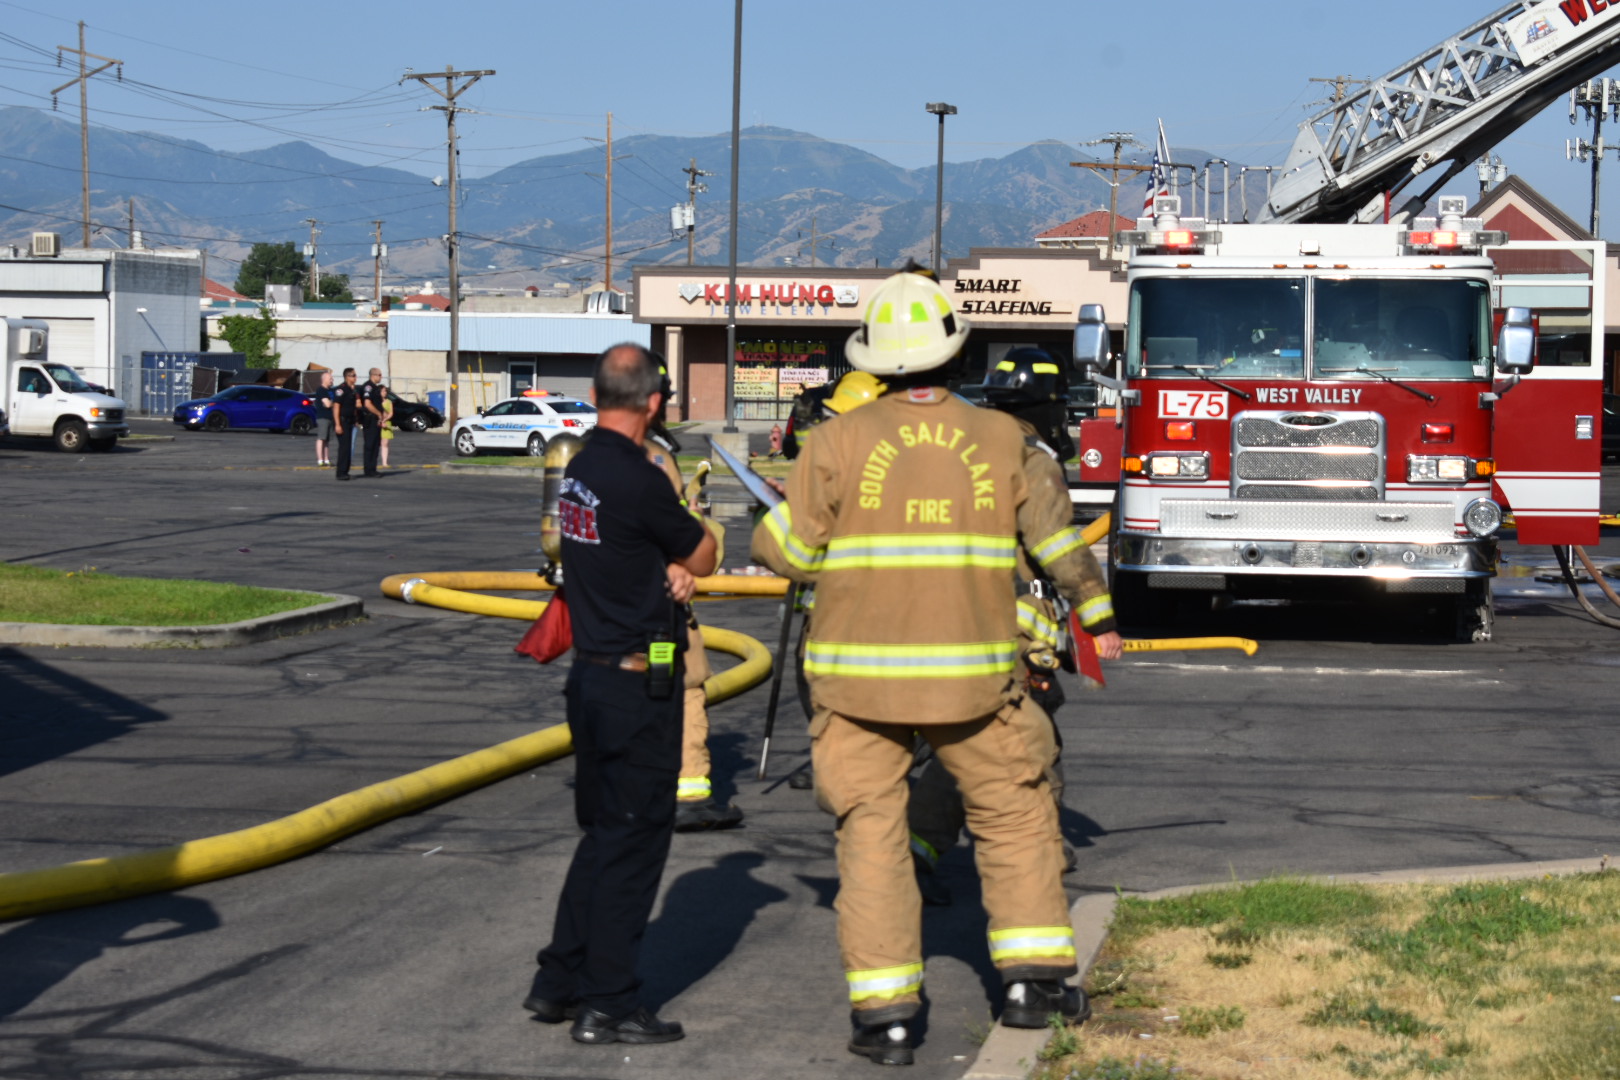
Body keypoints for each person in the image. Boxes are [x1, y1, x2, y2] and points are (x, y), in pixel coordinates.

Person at [751, 271, 1095, 1065]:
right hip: (973, 681)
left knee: (871, 837)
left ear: (873, 360)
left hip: (855, 684)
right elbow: (1052, 542)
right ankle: (1033, 986)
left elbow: (795, 554)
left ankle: (888, 1020)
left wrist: (772, 526)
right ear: (959, 351)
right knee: (1014, 818)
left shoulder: (836, 441)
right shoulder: (1003, 440)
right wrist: (1097, 612)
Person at [526, 343, 717, 1046]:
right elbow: (703, 552)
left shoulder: (580, 469)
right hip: (641, 682)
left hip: (594, 674)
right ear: (655, 403)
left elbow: (629, 551)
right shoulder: (641, 478)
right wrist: (682, 557)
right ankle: (608, 1002)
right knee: (634, 846)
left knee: (603, 836)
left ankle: (558, 981)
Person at [908, 347, 1121, 906]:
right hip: (1005, 624)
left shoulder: (954, 451)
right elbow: (1056, 547)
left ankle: (925, 847)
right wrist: (1099, 619)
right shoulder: (1030, 460)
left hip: (937, 616)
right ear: (1048, 408)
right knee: (1028, 736)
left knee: (974, 734)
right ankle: (1036, 849)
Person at [330, 368, 359, 481]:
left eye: (355, 375)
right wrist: (337, 424)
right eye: (353, 375)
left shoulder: (352, 390)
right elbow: (336, 407)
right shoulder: (341, 389)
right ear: (347, 376)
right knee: (344, 448)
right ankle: (341, 472)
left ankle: (345, 471)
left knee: (348, 447)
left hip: (349, 421)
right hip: (342, 421)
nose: (355, 377)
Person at [357, 367, 385, 477]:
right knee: (370, 444)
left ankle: (373, 468)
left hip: (376, 420)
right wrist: (378, 413)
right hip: (370, 419)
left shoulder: (376, 388)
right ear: (373, 375)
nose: (381, 377)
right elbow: (367, 404)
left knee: (375, 445)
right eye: (379, 375)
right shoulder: (368, 387)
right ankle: (368, 470)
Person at [313, 371, 334, 467]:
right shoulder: (321, 390)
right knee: (321, 438)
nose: (332, 380)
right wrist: (334, 402)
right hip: (323, 417)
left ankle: (326, 459)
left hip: (330, 417)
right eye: (330, 379)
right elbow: (327, 404)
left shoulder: (330, 391)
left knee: (327, 440)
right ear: (324, 379)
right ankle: (320, 459)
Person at [378, 385, 394, 470]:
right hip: (378, 423)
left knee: (385, 443)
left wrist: (385, 420)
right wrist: (381, 421)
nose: (384, 393)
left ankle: (385, 462)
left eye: (385, 391)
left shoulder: (389, 402)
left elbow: (391, 413)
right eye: (382, 391)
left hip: (387, 423)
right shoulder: (376, 402)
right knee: (378, 443)